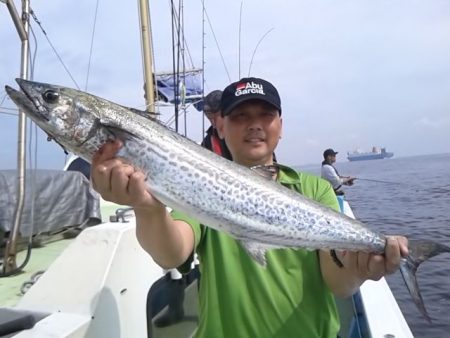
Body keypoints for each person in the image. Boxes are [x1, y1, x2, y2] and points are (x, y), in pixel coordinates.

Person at [91, 77, 408, 338]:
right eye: (240, 116)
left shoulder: (315, 190)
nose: (254, 125)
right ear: (222, 127)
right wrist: (148, 207)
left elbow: (337, 282)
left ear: (280, 126)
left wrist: (361, 270)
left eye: (265, 115)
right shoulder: (202, 183)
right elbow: (171, 253)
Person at [200, 90, 233, 160]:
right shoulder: (208, 142)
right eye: (208, 115)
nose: (212, 120)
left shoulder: (242, 134)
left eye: (217, 115)